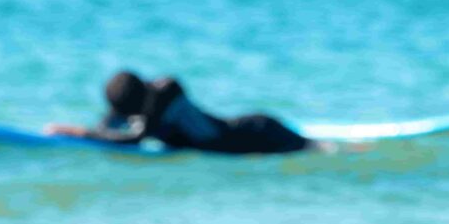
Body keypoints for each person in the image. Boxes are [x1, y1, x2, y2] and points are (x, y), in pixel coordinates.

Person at [47, 71, 313, 155]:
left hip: (256, 134)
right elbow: (108, 126)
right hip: (242, 140)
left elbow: (136, 138)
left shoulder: (165, 92)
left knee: (317, 149)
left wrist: (80, 133)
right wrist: (89, 134)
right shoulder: (135, 104)